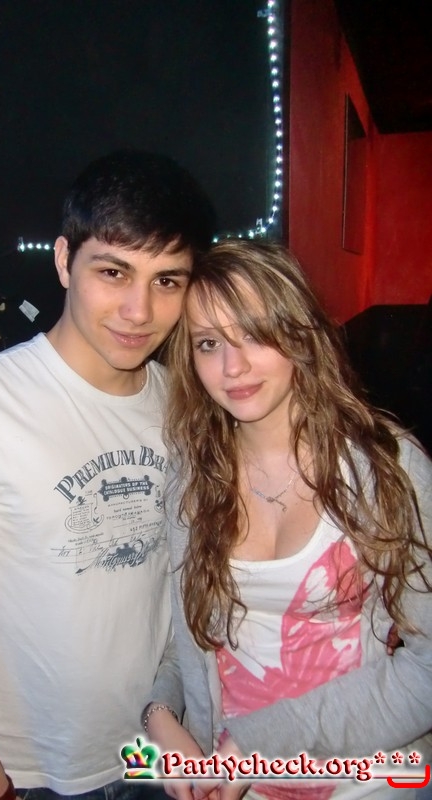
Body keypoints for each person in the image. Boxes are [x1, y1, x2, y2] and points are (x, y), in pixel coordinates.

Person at [0, 149, 216, 800]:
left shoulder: (183, 404)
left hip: (157, 746)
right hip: (33, 774)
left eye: (167, 281)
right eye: (114, 272)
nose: (139, 310)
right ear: (65, 260)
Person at [146, 241, 432, 799]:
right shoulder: (193, 481)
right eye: (209, 343)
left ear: (301, 333)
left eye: (254, 334)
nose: (232, 367)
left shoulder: (387, 470)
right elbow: (189, 636)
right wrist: (160, 714)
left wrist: (259, 743)